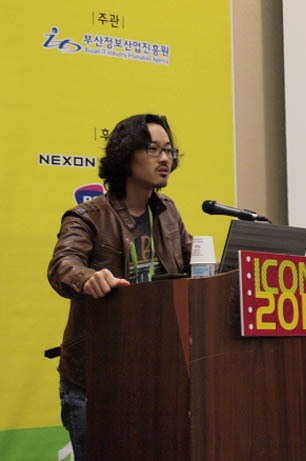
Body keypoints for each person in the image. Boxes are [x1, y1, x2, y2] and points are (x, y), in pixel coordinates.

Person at [47, 114, 193, 460]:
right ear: (126, 155)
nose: (165, 158)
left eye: (169, 150)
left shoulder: (167, 212)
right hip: (96, 379)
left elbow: (193, 266)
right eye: (153, 149)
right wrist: (88, 278)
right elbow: (62, 265)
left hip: (155, 372)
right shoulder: (88, 216)